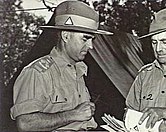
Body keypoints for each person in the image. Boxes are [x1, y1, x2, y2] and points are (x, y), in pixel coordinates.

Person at [10, 1, 112, 131]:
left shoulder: (79, 70)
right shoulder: (37, 72)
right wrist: (74, 114)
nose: (90, 46)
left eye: (93, 40)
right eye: (85, 39)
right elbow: (25, 124)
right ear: (66, 36)